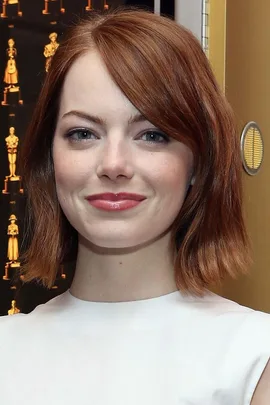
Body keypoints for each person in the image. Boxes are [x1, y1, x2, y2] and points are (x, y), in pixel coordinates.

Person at [0, 7, 269, 405]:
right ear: (49, 159)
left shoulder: (254, 356)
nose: (113, 165)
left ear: (198, 162)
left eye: (152, 135)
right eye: (83, 133)